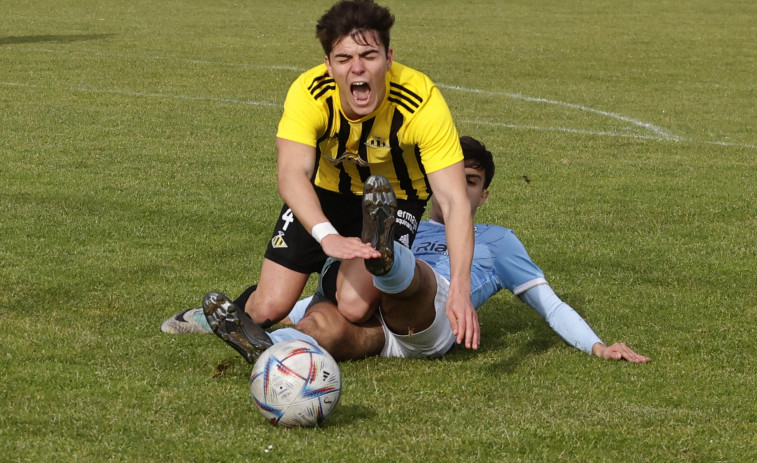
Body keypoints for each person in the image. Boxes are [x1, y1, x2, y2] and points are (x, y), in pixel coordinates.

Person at [170, 136, 650, 364]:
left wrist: (598, 346)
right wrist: (272, 311)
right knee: (323, 325)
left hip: (430, 319)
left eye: (471, 183)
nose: (456, 192)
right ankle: (261, 345)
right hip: (376, 328)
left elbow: (550, 304)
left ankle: (385, 257)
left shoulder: (500, 241)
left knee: (412, 275)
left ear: (484, 196)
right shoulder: (408, 216)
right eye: (451, 179)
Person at [232, 0, 477, 348]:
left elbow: (453, 201)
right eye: (344, 59)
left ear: (389, 59)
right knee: (266, 307)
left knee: (353, 305)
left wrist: (461, 291)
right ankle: (231, 318)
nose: (357, 69)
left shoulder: (420, 100)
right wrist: (326, 235)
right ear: (329, 65)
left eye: (369, 56)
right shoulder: (309, 92)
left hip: (393, 199)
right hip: (325, 193)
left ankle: (325, 299)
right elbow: (291, 175)